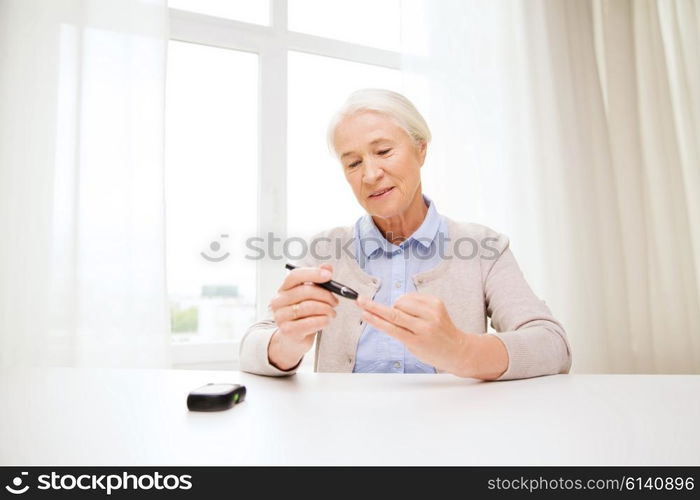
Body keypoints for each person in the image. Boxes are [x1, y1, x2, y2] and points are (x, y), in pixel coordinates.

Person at [240, 89, 571, 380]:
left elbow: (552, 345)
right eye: (353, 163)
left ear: (421, 149)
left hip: (452, 434)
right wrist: (288, 343)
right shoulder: (324, 250)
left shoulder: (484, 248)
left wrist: (460, 349)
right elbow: (252, 344)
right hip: (344, 435)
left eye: (383, 151)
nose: (370, 174)